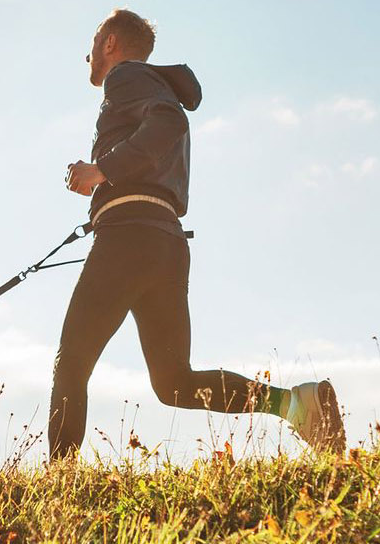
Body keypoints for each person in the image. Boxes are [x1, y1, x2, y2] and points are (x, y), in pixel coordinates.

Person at [48, 9, 345, 460]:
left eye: (93, 42)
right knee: (173, 382)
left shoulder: (125, 77)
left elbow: (169, 122)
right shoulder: (151, 84)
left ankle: (60, 482)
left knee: (72, 360)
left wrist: (101, 170)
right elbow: (166, 124)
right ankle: (296, 403)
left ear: (109, 43)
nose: (86, 54)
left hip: (129, 238)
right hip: (164, 241)